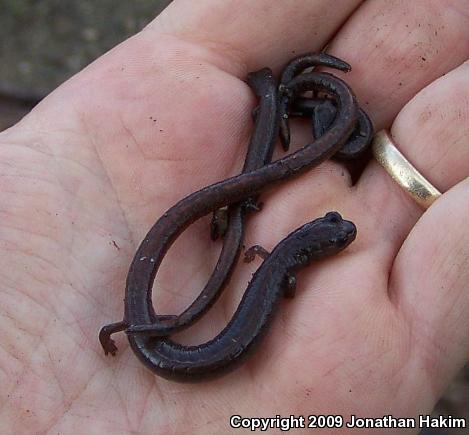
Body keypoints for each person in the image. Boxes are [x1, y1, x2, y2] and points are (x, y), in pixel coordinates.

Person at [1, 1, 468, 433]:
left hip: (169, 343)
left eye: (338, 236)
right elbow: (281, 274)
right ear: (309, 245)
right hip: (167, 348)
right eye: (339, 235)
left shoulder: (283, 261)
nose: (345, 235)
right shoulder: (281, 264)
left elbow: (281, 270)